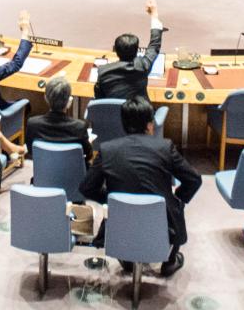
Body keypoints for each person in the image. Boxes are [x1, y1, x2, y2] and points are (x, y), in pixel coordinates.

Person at [80, 95, 201, 277]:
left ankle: (127, 258)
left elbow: (87, 188)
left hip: (120, 223)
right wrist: (178, 198)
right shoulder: (165, 147)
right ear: (149, 124)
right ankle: (169, 261)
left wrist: (112, 200)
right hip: (163, 224)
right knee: (174, 205)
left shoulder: (107, 149)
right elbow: (194, 180)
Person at [95, 0, 165, 101]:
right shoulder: (142, 66)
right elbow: (154, 46)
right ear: (137, 51)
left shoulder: (103, 71)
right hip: (139, 116)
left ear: (116, 52)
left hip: (112, 116)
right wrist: (154, 15)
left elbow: (99, 98)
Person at [26, 76, 91, 159]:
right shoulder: (79, 127)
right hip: (73, 171)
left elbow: (31, 151)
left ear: (46, 98)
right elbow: (88, 155)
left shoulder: (32, 124)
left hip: (44, 170)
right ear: (69, 101)